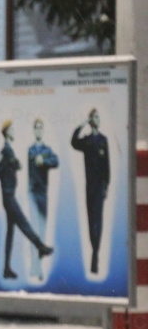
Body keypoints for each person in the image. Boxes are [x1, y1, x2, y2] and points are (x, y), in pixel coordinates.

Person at [0, 120, 53, 279]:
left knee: (10, 232)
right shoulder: (6, 150)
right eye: (12, 129)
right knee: (23, 223)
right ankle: (40, 246)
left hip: (9, 195)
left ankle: (6, 268)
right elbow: (5, 168)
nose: (14, 132)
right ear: (7, 132)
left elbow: (11, 167)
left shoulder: (8, 151)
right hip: (8, 197)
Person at [71, 108, 110, 274]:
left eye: (98, 116)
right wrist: (81, 125)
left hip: (100, 185)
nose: (97, 119)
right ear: (90, 120)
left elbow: (107, 165)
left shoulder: (103, 140)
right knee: (90, 220)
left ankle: (95, 255)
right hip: (90, 185)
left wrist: (107, 185)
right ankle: (94, 250)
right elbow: (73, 142)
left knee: (98, 220)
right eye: (94, 117)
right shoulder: (86, 141)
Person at [27, 118, 59, 280]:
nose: (39, 130)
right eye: (36, 127)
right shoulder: (30, 151)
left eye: (41, 127)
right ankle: (35, 268)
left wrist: (44, 162)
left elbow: (56, 161)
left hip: (43, 195)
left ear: (43, 130)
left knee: (42, 230)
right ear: (34, 131)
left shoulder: (46, 150)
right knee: (34, 232)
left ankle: (40, 269)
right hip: (33, 194)